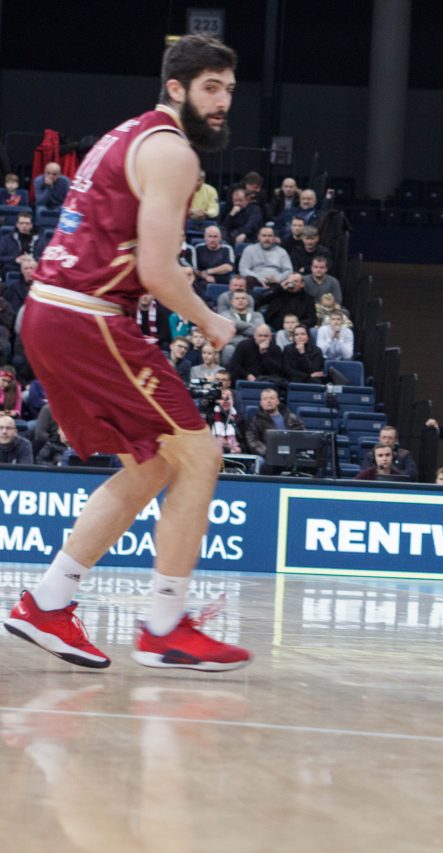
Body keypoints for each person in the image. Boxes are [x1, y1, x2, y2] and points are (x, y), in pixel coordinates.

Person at [3, 34, 251, 671]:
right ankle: (165, 626)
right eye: (211, 88)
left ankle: (47, 602)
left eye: (228, 89)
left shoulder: (127, 134)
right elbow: (158, 272)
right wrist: (211, 321)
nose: (223, 102)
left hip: (53, 311)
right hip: (87, 315)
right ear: (176, 87)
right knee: (201, 456)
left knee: (151, 465)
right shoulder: (172, 151)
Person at [244, 386, 304, 461]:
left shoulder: (292, 418)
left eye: (271, 398)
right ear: (261, 403)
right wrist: (269, 452)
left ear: (277, 401)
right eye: (265, 399)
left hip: (291, 454)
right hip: (269, 456)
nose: (268, 401)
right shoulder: (256, 421)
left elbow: (302, 436)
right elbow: (252, 440)